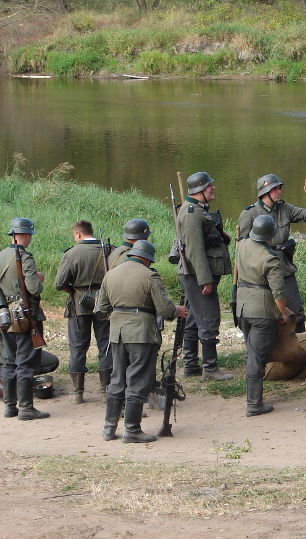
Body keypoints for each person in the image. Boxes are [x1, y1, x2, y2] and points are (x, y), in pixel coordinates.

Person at [97, 240, 188, 443]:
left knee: (117, 378)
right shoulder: (149, 275)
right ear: (148, 258)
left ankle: (109, 428)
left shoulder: (111, 274)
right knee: (138, 379)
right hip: (141, 333)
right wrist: (177, 311)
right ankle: (132, 430)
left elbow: (102, 308)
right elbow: (165, 309)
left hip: (117, 333)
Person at [238, 174, 306, 333]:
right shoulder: (250, 213)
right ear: (264, 192)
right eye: (274, 189)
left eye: (278, 188)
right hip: (260, 269)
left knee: (296, 310)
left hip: (284, 267)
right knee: (266, 314)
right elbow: (242, 247)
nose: (279, 191)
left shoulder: (284, 208)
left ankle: (300, 342)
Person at [0, 217, 49, 420]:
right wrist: (39, 280)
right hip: (25, 315)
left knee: (9, 360)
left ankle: (9, 406)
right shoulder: (25, 257)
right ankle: (26, 408)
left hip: (4, 314)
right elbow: (34, 288)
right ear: (26, 235)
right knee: (25, 361)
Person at [177, 171, 234, 381]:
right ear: (199, 189)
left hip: (198, 274)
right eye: (209, 185)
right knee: (209, 317)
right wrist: (205, 280)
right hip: (197, 275)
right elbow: (195, 250)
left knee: (194, 317)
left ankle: (191, 364)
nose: (213, 188)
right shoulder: (192, 212)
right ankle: (210, 369)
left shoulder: (198, 209)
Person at [236, 215, 289, 416]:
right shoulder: (270, 258)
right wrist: (282, 313)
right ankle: (253, 404)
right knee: (256, 357)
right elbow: (278, 291)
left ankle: (252, 397)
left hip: (242, 306)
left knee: (251, 353)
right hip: (262, 311)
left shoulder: (241, 245)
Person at [54, 220, 111, 404]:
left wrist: (73, 290)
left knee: (78, 347)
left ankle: (78, 393)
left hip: (78, 305)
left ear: (78, 234)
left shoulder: (72, 253)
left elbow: (59, 284)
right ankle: (105, 390)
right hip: (104, 303)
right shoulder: (109, 250)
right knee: (106, 345)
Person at [0, 303, 59, 402]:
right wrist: (8, 329)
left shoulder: (27, 299)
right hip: (1, 352)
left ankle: (21, 381)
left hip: (21, 348)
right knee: (15, 393)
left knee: (51, 362)